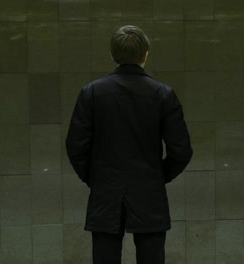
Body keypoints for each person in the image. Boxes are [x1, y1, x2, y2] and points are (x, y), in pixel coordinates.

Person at [66, 25, 193, 264]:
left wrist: (95, 178)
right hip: (149, 192)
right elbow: (182, 151)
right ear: (145, 54)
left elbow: (75, 146)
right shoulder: (163, 94)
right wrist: (158, 176)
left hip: (106, 192)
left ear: (112, 55)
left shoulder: (91, 93)